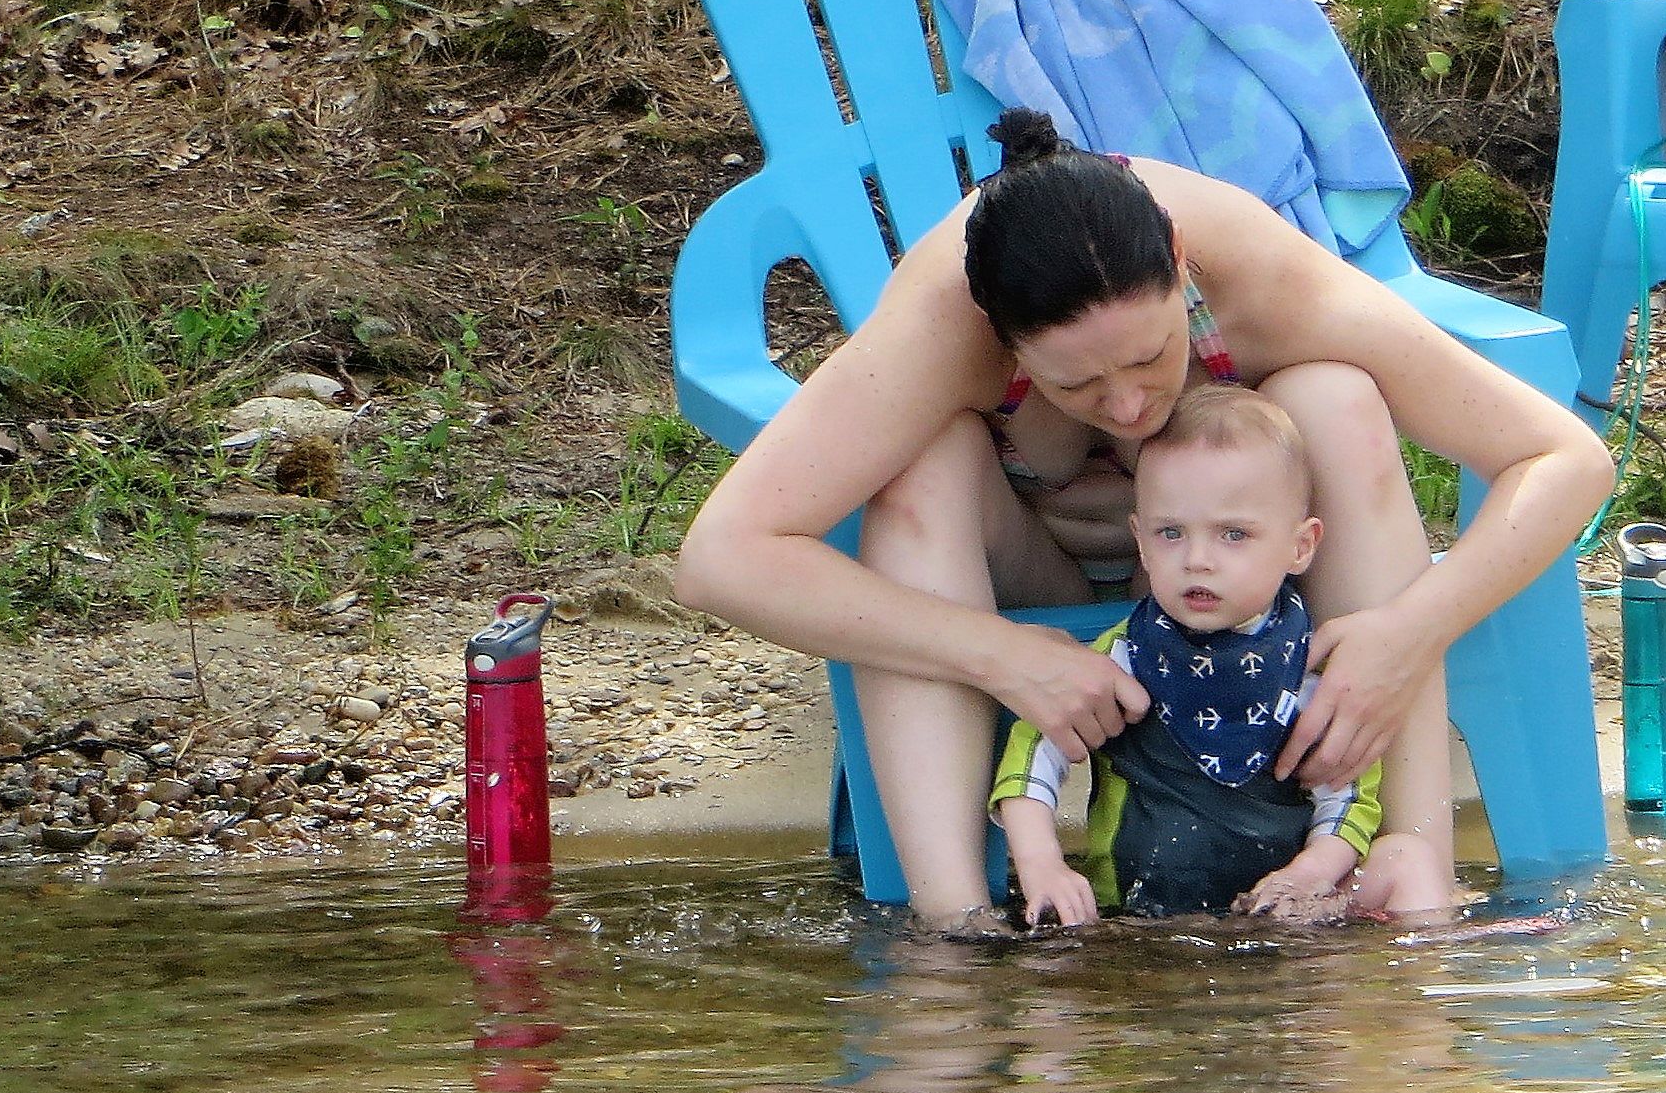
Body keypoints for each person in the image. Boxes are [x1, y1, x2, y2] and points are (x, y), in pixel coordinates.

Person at [675, 107, 1615, 929]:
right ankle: (951, 930)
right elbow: (723, 557)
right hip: (1029, 563)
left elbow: (1564, 459)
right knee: (923, 465)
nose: (1126, 408)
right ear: (1001, 336)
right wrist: (1000, 655)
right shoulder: (940, 325)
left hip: (1239, 565)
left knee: (1335, 397)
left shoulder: (1256, 272)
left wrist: (1409, 632)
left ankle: (1408, 875)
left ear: (1177, 264)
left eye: (1152, 358)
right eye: (1074, 383)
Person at [991, 386, 1381, 926]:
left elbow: (1351, 797)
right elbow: (1035, 750)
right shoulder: (1126, 657)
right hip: (1130, 918)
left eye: (1233, 534)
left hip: (1276, 916)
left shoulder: (1310, 671)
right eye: (1171, 533)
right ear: (1141, 542)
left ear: (1301, 546)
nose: (1197, 560)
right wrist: (1042, 863)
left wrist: (1311, 872)